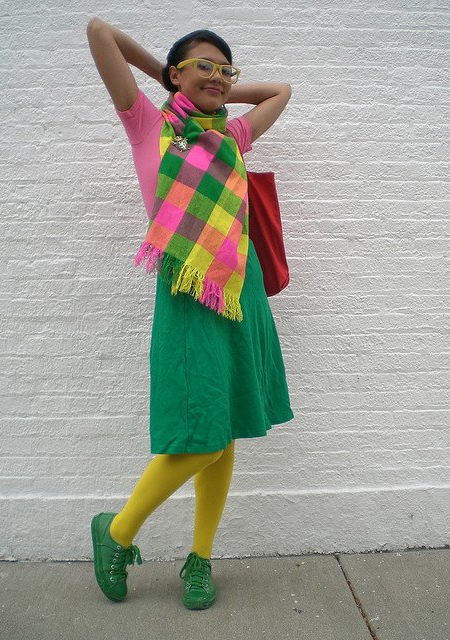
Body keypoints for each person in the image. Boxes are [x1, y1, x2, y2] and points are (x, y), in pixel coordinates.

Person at [86, 17, 294, 610]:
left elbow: (281, 91)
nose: (219, 77)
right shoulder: (148, 125)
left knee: (223, 430)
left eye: (227, 70)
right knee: (200, 431)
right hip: (187, 287)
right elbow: (100, 32)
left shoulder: (233, 135)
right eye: (205, 65)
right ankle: (117, 531)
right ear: (175, 74)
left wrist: (215, 84)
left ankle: (200, 558)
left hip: (239, 288)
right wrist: (168, 77)